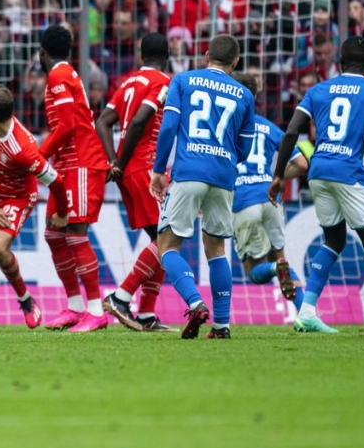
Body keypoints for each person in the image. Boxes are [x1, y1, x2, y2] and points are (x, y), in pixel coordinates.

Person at [268, 36, 364, 334]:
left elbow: (291, 133)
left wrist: (278, 175)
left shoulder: (317, 90)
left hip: (318, 171)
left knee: (334, 240)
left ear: (340, 60)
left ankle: (308, 311)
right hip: (348, 172)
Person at [150, 34, 256, 339]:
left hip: (188, 171)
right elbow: (245, 150)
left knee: (167, 246)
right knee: (217, 250)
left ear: (206, 54)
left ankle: (195, 303)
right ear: (235, 63)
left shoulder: (182, 81)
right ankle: (221, 326)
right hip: (224, 177)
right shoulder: (244, 95)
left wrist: (158, 170)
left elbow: (169, 127)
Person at [0, 84, 68, 332]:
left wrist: (62, 213)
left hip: (16, 197)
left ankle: (26, 300)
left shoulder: (23, 150)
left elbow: (56, 181)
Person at [94, 33, 172, 332]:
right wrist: (121, 163)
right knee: (168, 237)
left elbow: (102, 121)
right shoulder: (163, 82)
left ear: (141, 55)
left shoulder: (127, 82)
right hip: (143, 167)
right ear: (166, 54)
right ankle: (121, 297)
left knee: (162, 239)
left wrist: (114, 161)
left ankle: (148, 314)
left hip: (130, 169)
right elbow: (140, 121)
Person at [38, 25, 111, 333]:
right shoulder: (66, 74)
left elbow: (67, 125)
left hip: (81, 161)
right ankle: (76, 306)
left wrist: (37, 155)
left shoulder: (57, 75)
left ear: (42, 53)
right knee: (54, 234)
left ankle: (96, 310)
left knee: (76, 233)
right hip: (67, 164)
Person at [229, 73, 309, 319]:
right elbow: (302, 164)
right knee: (281, 255)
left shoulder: (224, 127)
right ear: (255, 97)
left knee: (254, 271)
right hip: (270, 198)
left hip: (242, 201)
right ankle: (305, 314)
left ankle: (275, 268)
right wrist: (277, 178)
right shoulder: (266, 125)